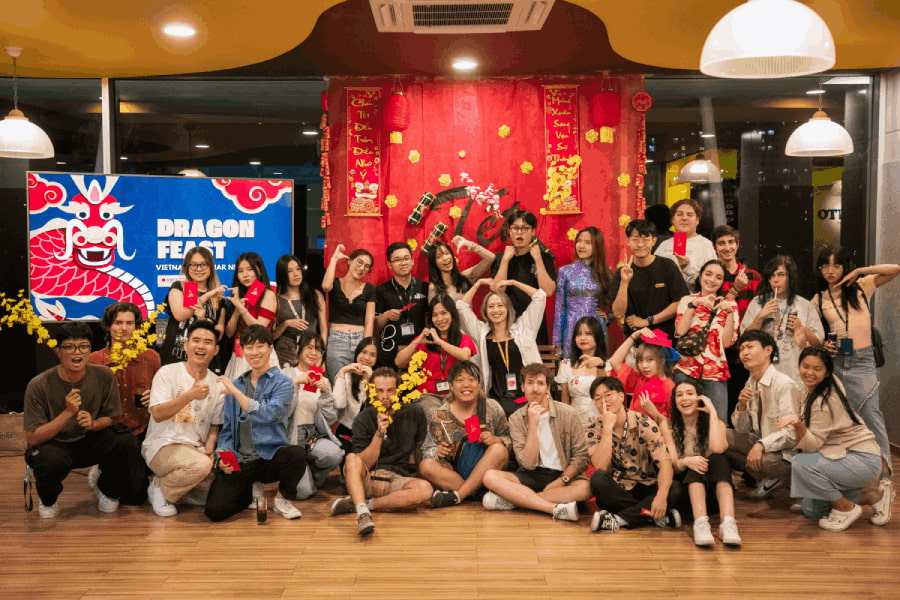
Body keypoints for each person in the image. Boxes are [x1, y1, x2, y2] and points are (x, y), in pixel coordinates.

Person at [24, 322, 146, 518]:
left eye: (83, 347)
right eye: (69, 347)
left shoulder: (104, 375)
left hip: (90, 439)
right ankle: (48, 500)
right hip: (56, 445)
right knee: (49, 459)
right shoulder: (38, 385)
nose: (77, 353)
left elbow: (113, 417)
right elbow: (33, 438)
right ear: (58, 352)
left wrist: (94, 423)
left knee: (125, 440)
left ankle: (107, 489)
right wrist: (67, 413)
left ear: (90, 350)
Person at [778, 346, 891, 530]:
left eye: (817, 368)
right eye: (805, 366)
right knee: (811, 509)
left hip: (861, 458)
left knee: (801, 464)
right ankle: (873, 496)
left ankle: (845, 508)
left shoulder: (823, 401)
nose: (810, 373)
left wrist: (797, 423)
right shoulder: (828, 383)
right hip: (845, 456)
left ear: (827, 371)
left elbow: (812, 446)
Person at [812, 245, 898, 484]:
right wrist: (821, 343)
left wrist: (861, 270)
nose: (830, 271)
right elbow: (810, 329)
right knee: (841, 419)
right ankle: (851, 473)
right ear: (819, 270)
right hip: (837, 361)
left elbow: (895, 270)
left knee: (872, 415)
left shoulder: (861, 287)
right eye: (825, 266)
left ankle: (884, 474)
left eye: (836, 265)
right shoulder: (819, 299)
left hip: (862, 360)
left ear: (844, 267)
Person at [204, 325, 307, 522]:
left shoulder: (282, 383)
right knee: (214, 512)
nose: (254, 352)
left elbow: (271, 414)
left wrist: (237, 394)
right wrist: (224, 456)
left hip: (270, 458)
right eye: (249, 347)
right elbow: (227, 430)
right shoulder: (237, 384)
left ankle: (282, 499)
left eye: (260, 346)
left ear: (270, 349)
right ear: (242, 351)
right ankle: (249, 492)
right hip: (241, 459)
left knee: (296, 454)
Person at [481, 363, 591, 523]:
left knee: (587, 488)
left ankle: (516, 501)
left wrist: (562, 480)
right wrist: (533, 425)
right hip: (531, 475)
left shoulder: (568, 413)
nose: (535, 389)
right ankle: (554, 509)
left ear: (548, 388)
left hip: (563, 474)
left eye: (540, 383)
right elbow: (528, 463)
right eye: (530, 383)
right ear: (522, 387)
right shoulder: (516, 418)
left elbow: (581, 457)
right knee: (490, 476)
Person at [329, 367, 432, 537]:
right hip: (367, 477)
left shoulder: (415, 412)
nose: (385, 396)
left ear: (398, 390)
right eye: (380, 391)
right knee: (351, 458)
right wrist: (379, 433)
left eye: (391, 390)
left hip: (395, 480)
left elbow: (420, 448)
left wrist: (422, 477)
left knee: (424, 489)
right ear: (371, 392)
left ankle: (363, 505)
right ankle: (362, 515)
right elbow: (362, 463)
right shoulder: (363, 418)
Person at [143, 320, 224, 517]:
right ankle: (160, 487)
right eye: (196, 340)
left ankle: (177, 485)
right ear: (186, 345)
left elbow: (214, 424)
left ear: (216, 349)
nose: (201, 346)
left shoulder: (217, 383)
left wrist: (210, 449)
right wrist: (189, 395)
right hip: (163, 446)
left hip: (195, 449)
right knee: (199, 466)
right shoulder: (168, 372)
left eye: (207, 342)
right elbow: (158, 414)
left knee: (221, 495)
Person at [586, 376, 682, 533]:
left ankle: (618, 519)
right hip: (619, 488)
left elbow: (665, 463)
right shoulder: (593, 427)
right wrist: (607, 429)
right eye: (598, 399)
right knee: (598, 480)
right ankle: (653, 516)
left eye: (608, 395)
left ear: (621, 396)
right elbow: (601, 465)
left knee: (674, 488)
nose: (604, 402)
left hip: (647, 484)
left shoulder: (643, 423)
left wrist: (661, 497)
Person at [419, 361, 511, 508]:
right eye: (460, 380)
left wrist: (495, 439)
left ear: (479, 384)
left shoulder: (491, 407)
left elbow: (509, 441)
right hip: (455, 475)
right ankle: (475, 493)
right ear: (451, 386)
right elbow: (426, 450)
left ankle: (458, 496)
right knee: (426, 466)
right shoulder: (441, 414)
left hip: (488, 471)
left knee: (498, 450)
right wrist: (438, 451)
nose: (466, 385)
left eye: (471, 380)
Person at [725, 330, 801, 499]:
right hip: (762, 443)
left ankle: (791, 483)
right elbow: (741, 428)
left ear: (768, 350)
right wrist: (742, 406)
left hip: (785, 454)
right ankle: (768, 479)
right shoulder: (751, 381)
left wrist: (761, 445)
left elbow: (791, 434)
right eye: (742, 348)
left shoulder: (784, 384)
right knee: (720, 437)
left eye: (750, 347)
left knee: (767, 461)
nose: (744, 352)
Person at [456, 278, 546, 417]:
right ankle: (473, 439)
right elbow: (461, 306)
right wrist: (478, 284)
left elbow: (540, 297)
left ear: (508, 308)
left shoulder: (524, 328)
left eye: (500, 305)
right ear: (485, 310)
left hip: (524, 396)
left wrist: (513, 283)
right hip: (496, 398)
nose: (496, 310)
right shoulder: (482, 333)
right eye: (491, 306)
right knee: (473, 416)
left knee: (519, 412)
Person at [667, 379, 741, 546]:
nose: (685, 398)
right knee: (696, 463)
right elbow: (671, 465)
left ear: (700, 398)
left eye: (690, 394)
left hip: (713, 495)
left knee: (719, 458)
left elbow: (718, 448)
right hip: (687, 497)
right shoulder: (670, 427)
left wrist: (713, 413)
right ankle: (700, 523)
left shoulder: (716, 423)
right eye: (679, 395)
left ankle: (728, 523)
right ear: (675, 402)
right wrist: (686, 461)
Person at [741, 255, 824, 385]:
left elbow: (818, 342)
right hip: (763, 374)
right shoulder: (757, 303)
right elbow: (744, 338)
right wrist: (759, 318)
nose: (775, 280)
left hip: (795, 374)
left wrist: (801, 329)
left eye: (781, 275)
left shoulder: (804, 305)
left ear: (790, 277)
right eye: (772, 275)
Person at [673, 259, 739, 421]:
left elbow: (726, 343)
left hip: (715, 372)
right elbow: (680, 331)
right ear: (700, 276)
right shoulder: (687, 300)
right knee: (684, 423)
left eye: (718, 277)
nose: (711, 280)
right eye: (708, 274)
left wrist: (729, 313)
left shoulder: (729, 305)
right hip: (686, 370)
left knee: (718, 423)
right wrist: (693, 306)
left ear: (723, 282)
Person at [282, 331, 344, 497]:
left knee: (334, 454)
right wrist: (295, 385)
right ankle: (300, 475)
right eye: (308, 347)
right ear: (298, 349)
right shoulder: (286, 375)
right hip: (291, 437)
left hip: (312, 436)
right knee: (302, 493)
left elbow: (331, 418)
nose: (313, 352)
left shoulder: (322, 379)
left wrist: (325, 393)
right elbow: (282, 413)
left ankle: (310, 475)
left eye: (318, 349)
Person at [89, 300, 161, 438]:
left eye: (129, 323)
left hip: (145, 430)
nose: (124, 328)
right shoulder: (94, 361)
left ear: (136, 327)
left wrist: (156, 396)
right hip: (106, 433)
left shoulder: (151, 358)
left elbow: (165, 395)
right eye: (118, 323)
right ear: (108, 327)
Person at [712, 225, 762, 421]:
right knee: (724, 408)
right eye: (721, 243)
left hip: (748, 350)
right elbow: (714, 312)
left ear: (738, 245)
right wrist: (734, 289)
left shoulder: (753, 277)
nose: (727, 247)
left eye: (731, 242)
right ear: (715, 247)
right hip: (720, 353)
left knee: (750, 406)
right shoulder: (713, 276)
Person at [610, 219, 688, 339]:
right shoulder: (622, 273)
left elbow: (680, 301)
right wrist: (624, 282)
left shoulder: (667, 266)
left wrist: (648, 321)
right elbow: (618, 313)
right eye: (635, 239)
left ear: (654, 241)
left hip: (665, 337)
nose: (640, 244)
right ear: (628, 242)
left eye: (645, 239)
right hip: (634, 338)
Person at [490, 209, 556, 345]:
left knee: (535, 366)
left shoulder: (544, 258)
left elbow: (548, 291)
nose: (519, 232)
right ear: (509, 231)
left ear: (533, 232)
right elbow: (497, 291)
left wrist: (537, 259)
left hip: (535, 323)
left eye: (525, 228)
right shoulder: (500, 258)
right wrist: (505, 260)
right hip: (507, 323)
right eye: (515, 228)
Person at [159, 246, 227, 372]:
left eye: (203, 264)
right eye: (194, 265)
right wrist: (206, 296)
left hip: (204, 363)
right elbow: (180, 315)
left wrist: (203, 320)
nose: (199, 269)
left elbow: (220, 333)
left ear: (211, 267)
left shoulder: (218, 297)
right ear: (187, 267)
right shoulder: (179, 287)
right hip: (175, 360)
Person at [395, 295, 476, 400]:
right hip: (427, 394)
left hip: (456, 394)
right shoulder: (425, 338)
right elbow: (399, 362)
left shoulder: (463, 339)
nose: (440, 319)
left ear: (452, 314)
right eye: (435, 315)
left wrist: (440, 342)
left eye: (444, 313)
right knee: (435, 413)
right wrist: (416, 343)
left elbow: (464, 356)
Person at [553, 226, 612, 358]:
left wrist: (609, 317)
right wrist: (557, 343)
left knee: (596, 371)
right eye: (579, 241)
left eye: (587, 242)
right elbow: (559, 309)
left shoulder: (604, 273)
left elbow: (617, 300)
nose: (581, 246)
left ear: (597, 246)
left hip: (596, 328)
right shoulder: (565, 272)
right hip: (571, 327)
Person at [322, 244, 376, 380]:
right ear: (349, 260)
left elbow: (369, 321)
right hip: (337, 340)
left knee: (358, 387)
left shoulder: (369, 289)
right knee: (338, 384)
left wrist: (366, 349)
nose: (362, 268)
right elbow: (326, 286)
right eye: (359, 262)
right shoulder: (334, 283)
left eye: (366, 266)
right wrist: (334, 259)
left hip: (360, 339)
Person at [223, 252, 279, 379]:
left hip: (261, 353)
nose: (245, 275)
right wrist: (237, 310)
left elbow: (260, 329)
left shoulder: (268, 294)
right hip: (239, 353)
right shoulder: (238, 295)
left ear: (259, 271)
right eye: (241, 271)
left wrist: (242, 310)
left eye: (250, 269)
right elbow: (229, 333)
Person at [374, 242, 428, 368]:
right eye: (397, 260)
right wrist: (386, 315)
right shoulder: (380, 290)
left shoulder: (425, 287)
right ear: (389, 264)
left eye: (406, 258)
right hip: (390, 350)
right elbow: (376, 323)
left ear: (412, 261)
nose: (403, 263)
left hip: (419, 350)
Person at [606, 327, 677, 419]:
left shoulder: (670, 387)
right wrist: (633, 336)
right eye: (640, 360)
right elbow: (614, 362)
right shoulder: (639, 379)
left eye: (650, 360)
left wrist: (654, 413)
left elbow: (673, 423)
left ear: (662, 360)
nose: (644, 365)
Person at [272, 254, 327, 368]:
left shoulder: (315, 295)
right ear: (283, 274)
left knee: (311, 383)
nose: (296, 274)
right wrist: (286, 324)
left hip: (311, 349)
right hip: (286, 349)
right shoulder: (276, 299)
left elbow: (323, 328)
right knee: (288, 384)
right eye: (290, 271)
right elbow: (271, 336)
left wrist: (321, 352)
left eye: (298, 269)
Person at [554, 316, 608, 425]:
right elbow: (565, 399)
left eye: (589, 333)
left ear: (598, 337)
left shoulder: (606, 364)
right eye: (579, 334)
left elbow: (607, 392)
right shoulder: (566, 364)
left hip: (602, 419)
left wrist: (600, 366)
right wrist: (567, 422)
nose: (583, 338)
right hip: (574, 420)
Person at [654, 199, 717, 288]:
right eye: (679, 214)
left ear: (697, 220)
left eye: (690, 215)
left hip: (694, 299)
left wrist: (687, 267)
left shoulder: (705, 245)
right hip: (664, 300)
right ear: (673, 220)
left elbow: (712, 281)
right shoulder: (664, 245)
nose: (684, 218)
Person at [331, 336, 378, 455]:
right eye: (364, 352)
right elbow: (338, 403)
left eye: (372, 355)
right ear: (357, 353)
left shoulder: (380, 378)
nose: (366, 358)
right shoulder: (347, 375)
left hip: (371, 434)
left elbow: (375, 409)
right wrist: (342, 373)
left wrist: (371, 380)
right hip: (347, 430)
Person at [426, 236, 495, 302]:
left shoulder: (465, 277)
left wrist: (468, 244)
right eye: (439, 256)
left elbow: (490, 258)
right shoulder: (434, 288)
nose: (445, 258)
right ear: (434, 262)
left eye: (447, 253)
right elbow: (434, 312)